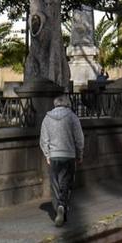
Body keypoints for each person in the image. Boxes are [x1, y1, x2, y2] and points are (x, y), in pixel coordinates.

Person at [37, 94, 84, 226]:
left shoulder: (47, 118)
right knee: (67, 183)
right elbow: (79, 138)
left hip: (54, 155)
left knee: (55, 184)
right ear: (67, 104)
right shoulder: (72, 117)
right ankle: (62, 206)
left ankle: (59, 207)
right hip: (69, 155)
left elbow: (43, 139)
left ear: (55, 104)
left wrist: (47, 154)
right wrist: (80, 154)